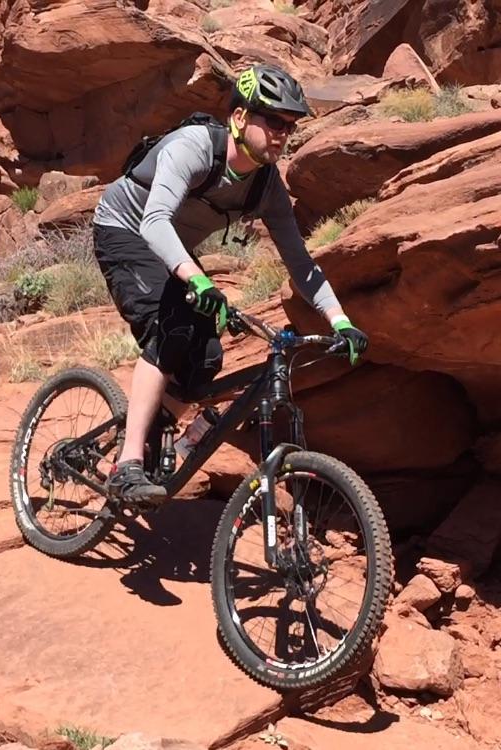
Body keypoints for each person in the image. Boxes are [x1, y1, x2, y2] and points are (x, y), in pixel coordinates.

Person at [90, 63, 369, 504]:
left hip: (172, 246)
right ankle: (127, 465)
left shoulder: (266, 187)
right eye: (273, 121)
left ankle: (156, 428)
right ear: (240, 118)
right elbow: (155, 222)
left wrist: (340, 321)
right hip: (126, 229)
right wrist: (199, 280)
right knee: (170, 328)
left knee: (206, 356)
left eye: (289, 126)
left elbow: (300, 261)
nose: (282, 134)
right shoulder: (194, 147)